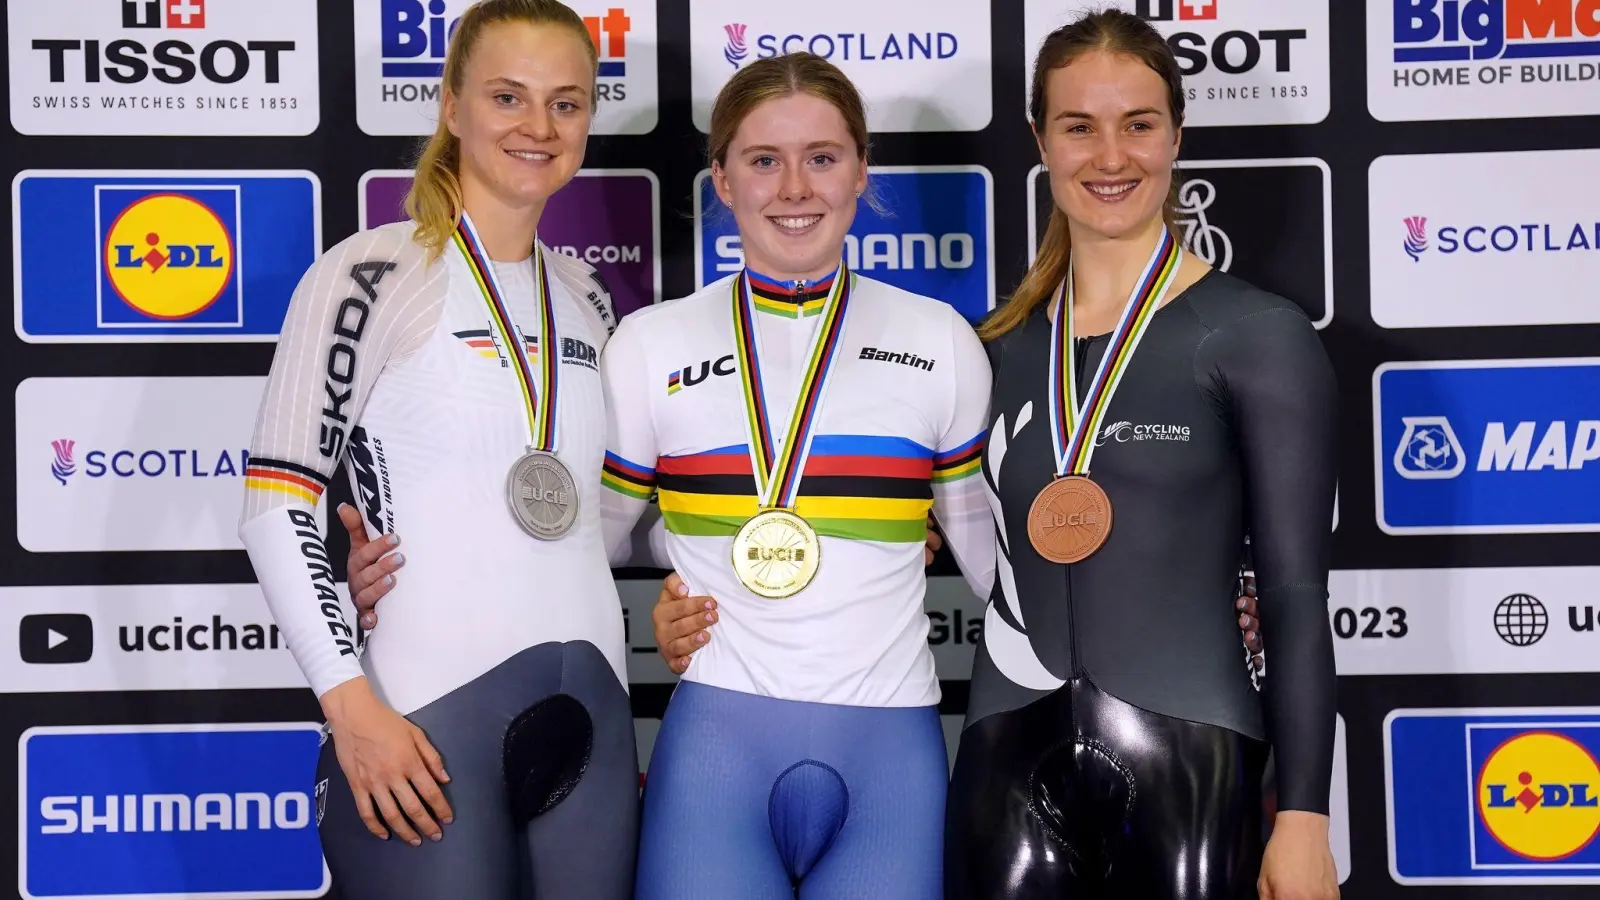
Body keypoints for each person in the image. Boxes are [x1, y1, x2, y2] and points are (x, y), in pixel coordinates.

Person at [236, 3, 640, 898]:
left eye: (566, 103)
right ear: (452, 106)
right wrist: (349, 705)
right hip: (423, 716)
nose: (538, 128)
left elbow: (600, 519)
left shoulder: (588, 296)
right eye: (508, 96)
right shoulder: (372, 274)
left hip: (597, 721)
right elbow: (276, 502)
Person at [943, 10, 1339, 900]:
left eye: (1139, 124)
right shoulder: (986, 352)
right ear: (1040, 138)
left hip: (1193, 761)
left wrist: (1305, 816)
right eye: (1079, 126)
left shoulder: (1253, 335)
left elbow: (1293, 595)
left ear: (1177, 136)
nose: (1110, 156)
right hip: (1001, 759)